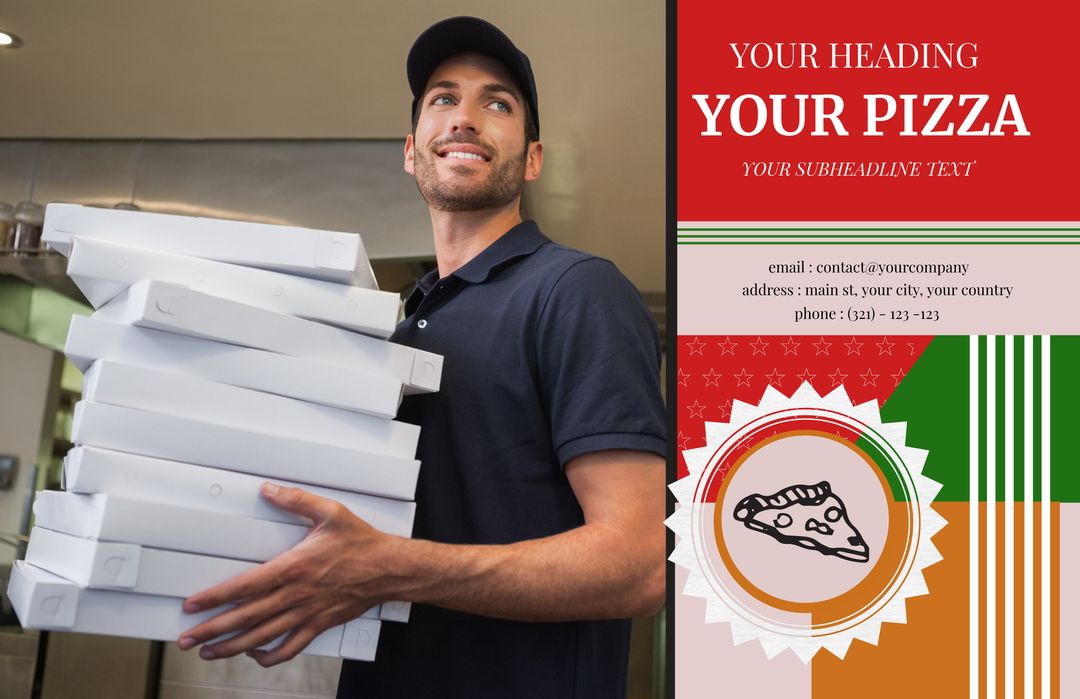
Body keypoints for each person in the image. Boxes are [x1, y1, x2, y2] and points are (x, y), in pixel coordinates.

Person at [177, 16, 666, 698]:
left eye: (498, 103)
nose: (465, 117)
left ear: (532, 158)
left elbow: (635, 564)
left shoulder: (576, 291)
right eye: (444, 98)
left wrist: (391, 567)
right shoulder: (405, 326)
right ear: (413, 151)